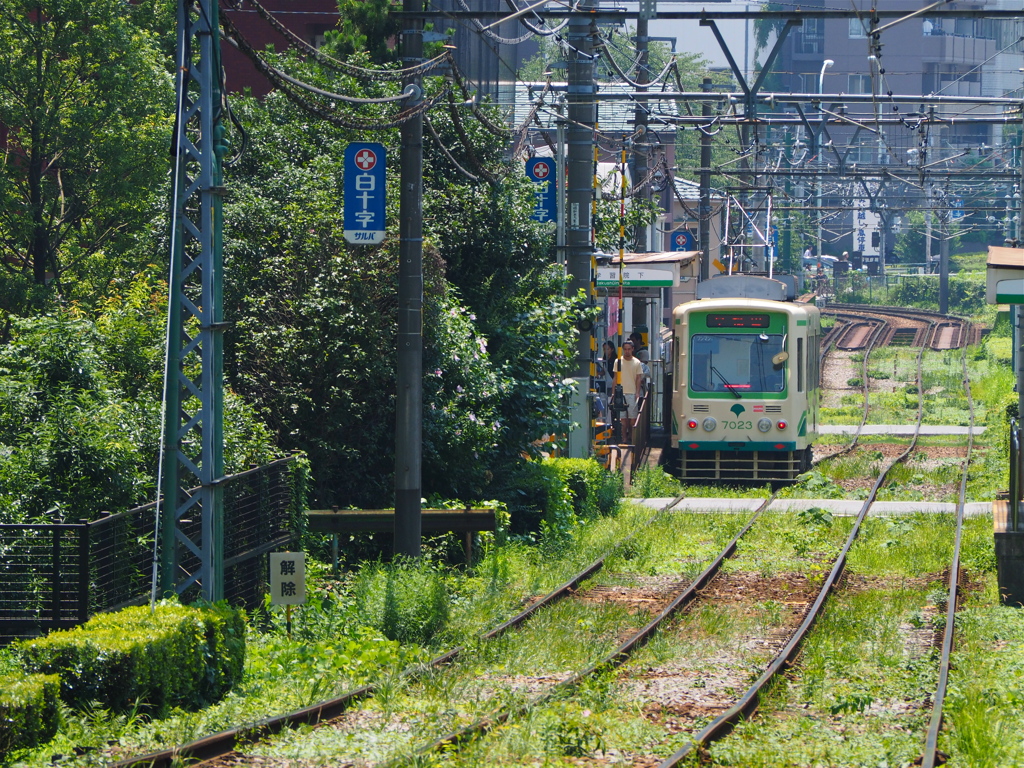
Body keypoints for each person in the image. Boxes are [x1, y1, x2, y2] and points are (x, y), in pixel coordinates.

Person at [612, 339, 644, 444]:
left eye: (629, 349)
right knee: (623, 420)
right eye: (625, 349)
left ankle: (631, 437)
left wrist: (638, 392)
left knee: (632, 419)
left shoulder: (637, 362)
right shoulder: (618, 361)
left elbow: (639, 378)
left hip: (632, 393)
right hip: (620, 393)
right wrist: (613, 393)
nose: (627, 351)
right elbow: (615, 377)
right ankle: (624, 439)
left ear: (632, 349)